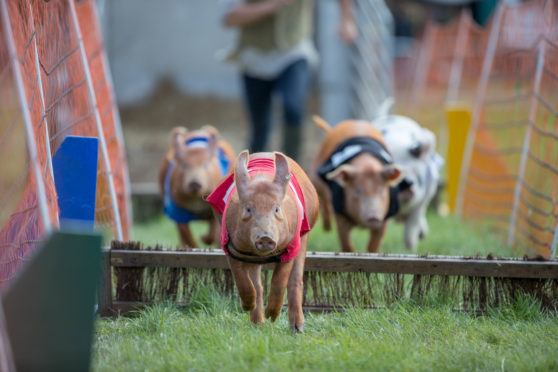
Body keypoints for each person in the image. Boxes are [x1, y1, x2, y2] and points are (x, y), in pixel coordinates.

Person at [221, 0, 357, 161]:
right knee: (260, 127)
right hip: (254, 57)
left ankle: (291, 166)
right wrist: (273, 5)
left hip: (293, 52)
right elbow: (229, 18)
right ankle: (255, 169)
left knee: (293, 108)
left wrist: (346, 19)